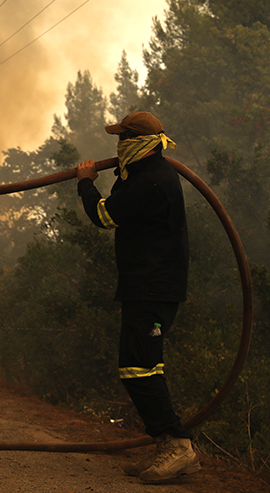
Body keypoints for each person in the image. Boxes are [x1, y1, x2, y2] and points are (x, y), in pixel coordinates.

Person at [76, 111, 200, 482]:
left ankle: (177, 446)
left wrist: (85, 182)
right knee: (141, 366)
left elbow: (104, 216)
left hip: (152, 289)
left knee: (139, 367)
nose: (118, 146)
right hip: (147, 288)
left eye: (122, 139)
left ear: (136, 143)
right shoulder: (147, 175)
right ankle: (170, 445)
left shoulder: (151, 182)